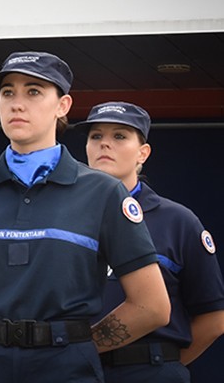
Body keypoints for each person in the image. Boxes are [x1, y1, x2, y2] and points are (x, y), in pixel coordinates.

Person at [0, 51, 171, 382]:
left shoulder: (103, 193)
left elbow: (152, 306)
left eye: (34, 91)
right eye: (8, 92)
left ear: (63, 105)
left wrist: (75, 346)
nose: (17, 103)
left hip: (66, 368)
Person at [79, 101, 224, 382]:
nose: (104, 144)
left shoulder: (178, 221)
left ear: (142, 153)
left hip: (147, 367)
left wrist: (165, 365)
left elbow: (214, 318)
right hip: (72, 370)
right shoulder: (62, 216)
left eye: (119, 136)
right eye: (96, 136)